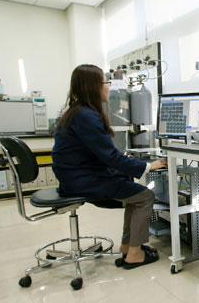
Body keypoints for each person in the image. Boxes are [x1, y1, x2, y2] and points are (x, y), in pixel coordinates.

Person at [52, 64, 167, 269]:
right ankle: (135, 253)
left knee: (133, 193)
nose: (108, 88)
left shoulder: (77, 112)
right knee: (145, 196)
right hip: (82, 181)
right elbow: (110, 157)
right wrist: (148, 166)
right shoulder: (86, 116)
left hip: (74, 178)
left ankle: (127, 247)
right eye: (106, 83)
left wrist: (127, 164)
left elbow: (101, 154)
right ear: (93, 86)